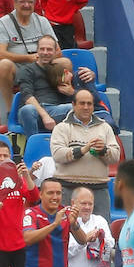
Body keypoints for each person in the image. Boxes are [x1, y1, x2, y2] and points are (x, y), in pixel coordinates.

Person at [50, 89, 120, 221]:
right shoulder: (62, 128)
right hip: (68, 188)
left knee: (102, 232)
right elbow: (58, 155)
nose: (86, 107)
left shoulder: (105, 128)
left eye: (89, 104)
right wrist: (83, 150)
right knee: (66, 230)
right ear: (73, 105)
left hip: (98, 190)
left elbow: (115, 156)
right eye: (82, 103)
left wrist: (103, 150)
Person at [0, 0, 57, 113]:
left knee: (65, 63)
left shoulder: (42, 21)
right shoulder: (4, 22)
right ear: (15, 3)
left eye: (30, 2)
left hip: (42, 65)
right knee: (4, 65)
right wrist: (29, 58)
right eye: (22, 2)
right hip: (18, 68)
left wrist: (43, 58)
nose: (26, 5)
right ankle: (10, 110)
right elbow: (0, 54)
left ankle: (57, 103)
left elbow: (58, 51)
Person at [22, 178, 87, 267]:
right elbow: (27, 239)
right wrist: (54, 224)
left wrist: (74, 225)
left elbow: (83, 240)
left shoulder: (66, 213)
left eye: (58, 193)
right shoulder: (31, 213)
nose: (55, 197)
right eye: (50, 193)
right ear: (40, 194)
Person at [16, 34, 75, 137]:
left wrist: (71, 89)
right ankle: (34, 145)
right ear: (37, 50)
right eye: (42, 49)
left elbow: (70, 89)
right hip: (34, 109)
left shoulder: (59, 69)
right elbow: (27, 96)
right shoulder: (27, 70)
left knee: (73, 108)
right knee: (28, 110)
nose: (45, 53)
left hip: (55, 109)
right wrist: (45, 116)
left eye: (49, 49)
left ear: (56, 51)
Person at [66, 187, 113, 267]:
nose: (87, 207)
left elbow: (110, 246)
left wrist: (100, 240)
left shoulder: (100, 220)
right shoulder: (65, 221)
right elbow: (66, 252)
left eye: (90, 204)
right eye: (83, 203)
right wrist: (84, 240)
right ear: (73, 203)